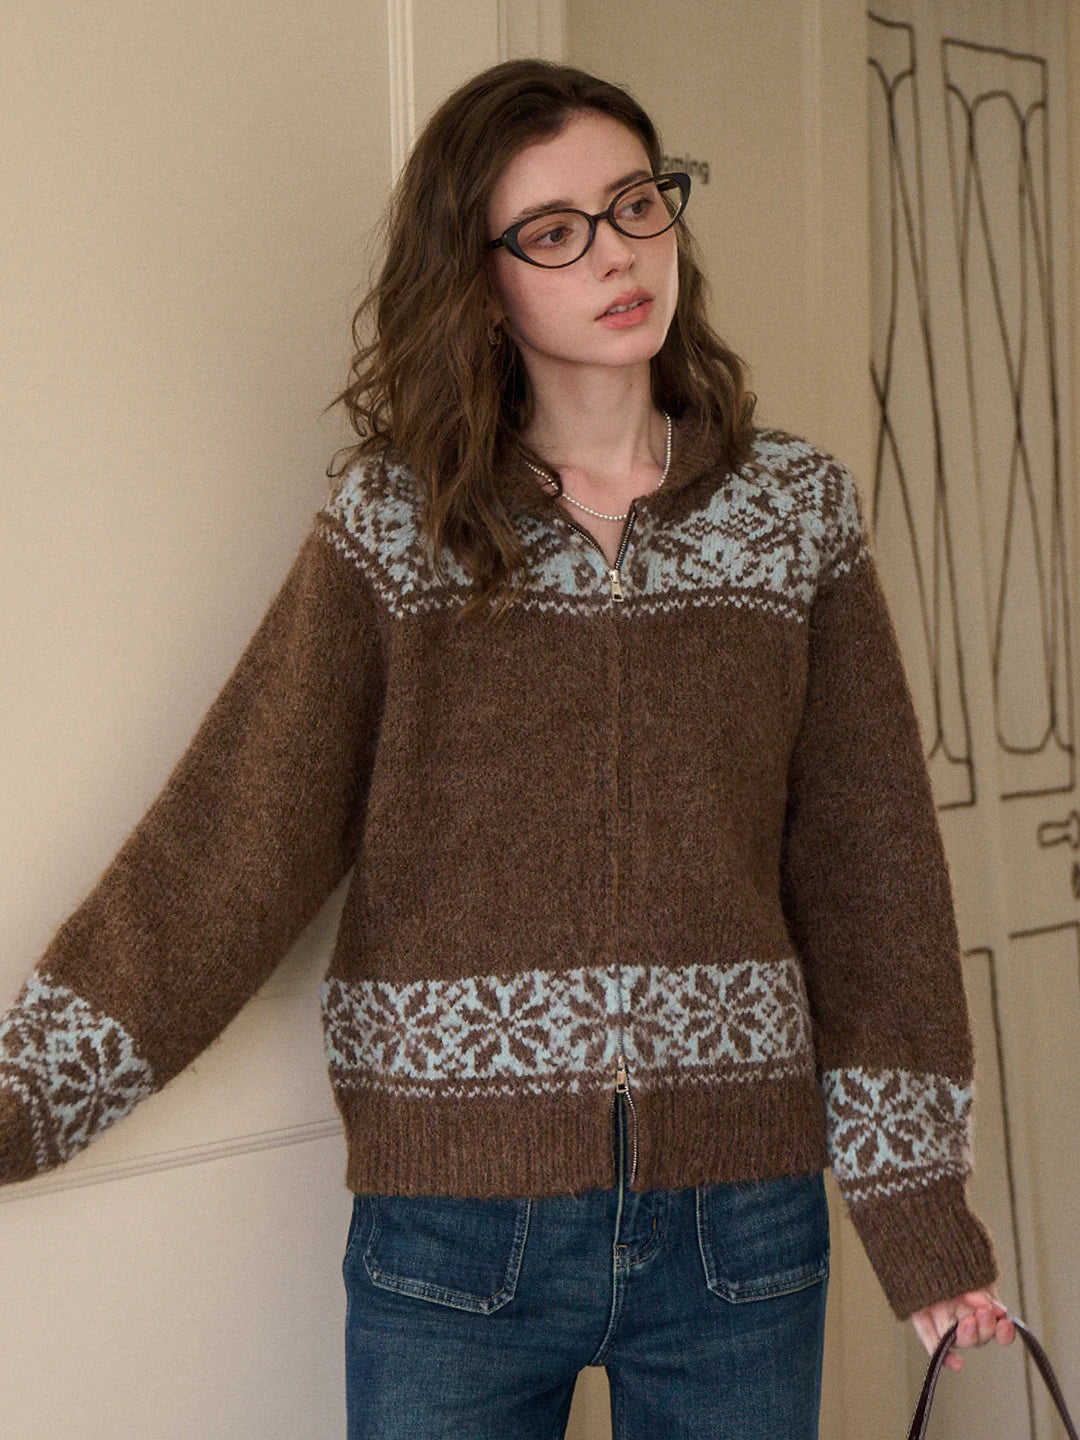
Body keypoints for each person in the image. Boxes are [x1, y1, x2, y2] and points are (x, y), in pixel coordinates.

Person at [0, 57, 1015, 1439]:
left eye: (637, 203)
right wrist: (22, 1101)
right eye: (554, 230)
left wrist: (921, 1213)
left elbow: (870, 874)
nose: (617, 253)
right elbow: (234, 841)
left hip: (738, 1231)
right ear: (483, 285)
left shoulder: (796, 514)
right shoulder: (399, 526)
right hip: (454, 1233)